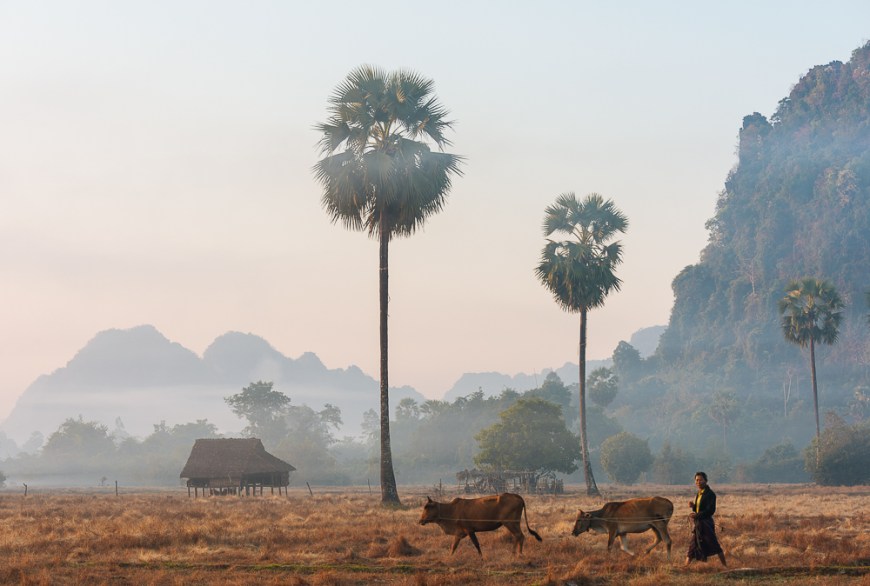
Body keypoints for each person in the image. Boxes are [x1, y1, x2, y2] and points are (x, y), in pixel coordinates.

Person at [685, 471, 727, 566]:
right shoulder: (699, 494)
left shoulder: (710, 494)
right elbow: (699, 509)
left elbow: (710, 510)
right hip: (699, 523)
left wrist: (697, 515)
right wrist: (693, 507)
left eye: (700, 480)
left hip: (706, 523)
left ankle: (725, 565)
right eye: (696, 480)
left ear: (706, 481)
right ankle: (686, 566)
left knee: (714, 543)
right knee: (693, 545)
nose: (698, 482)